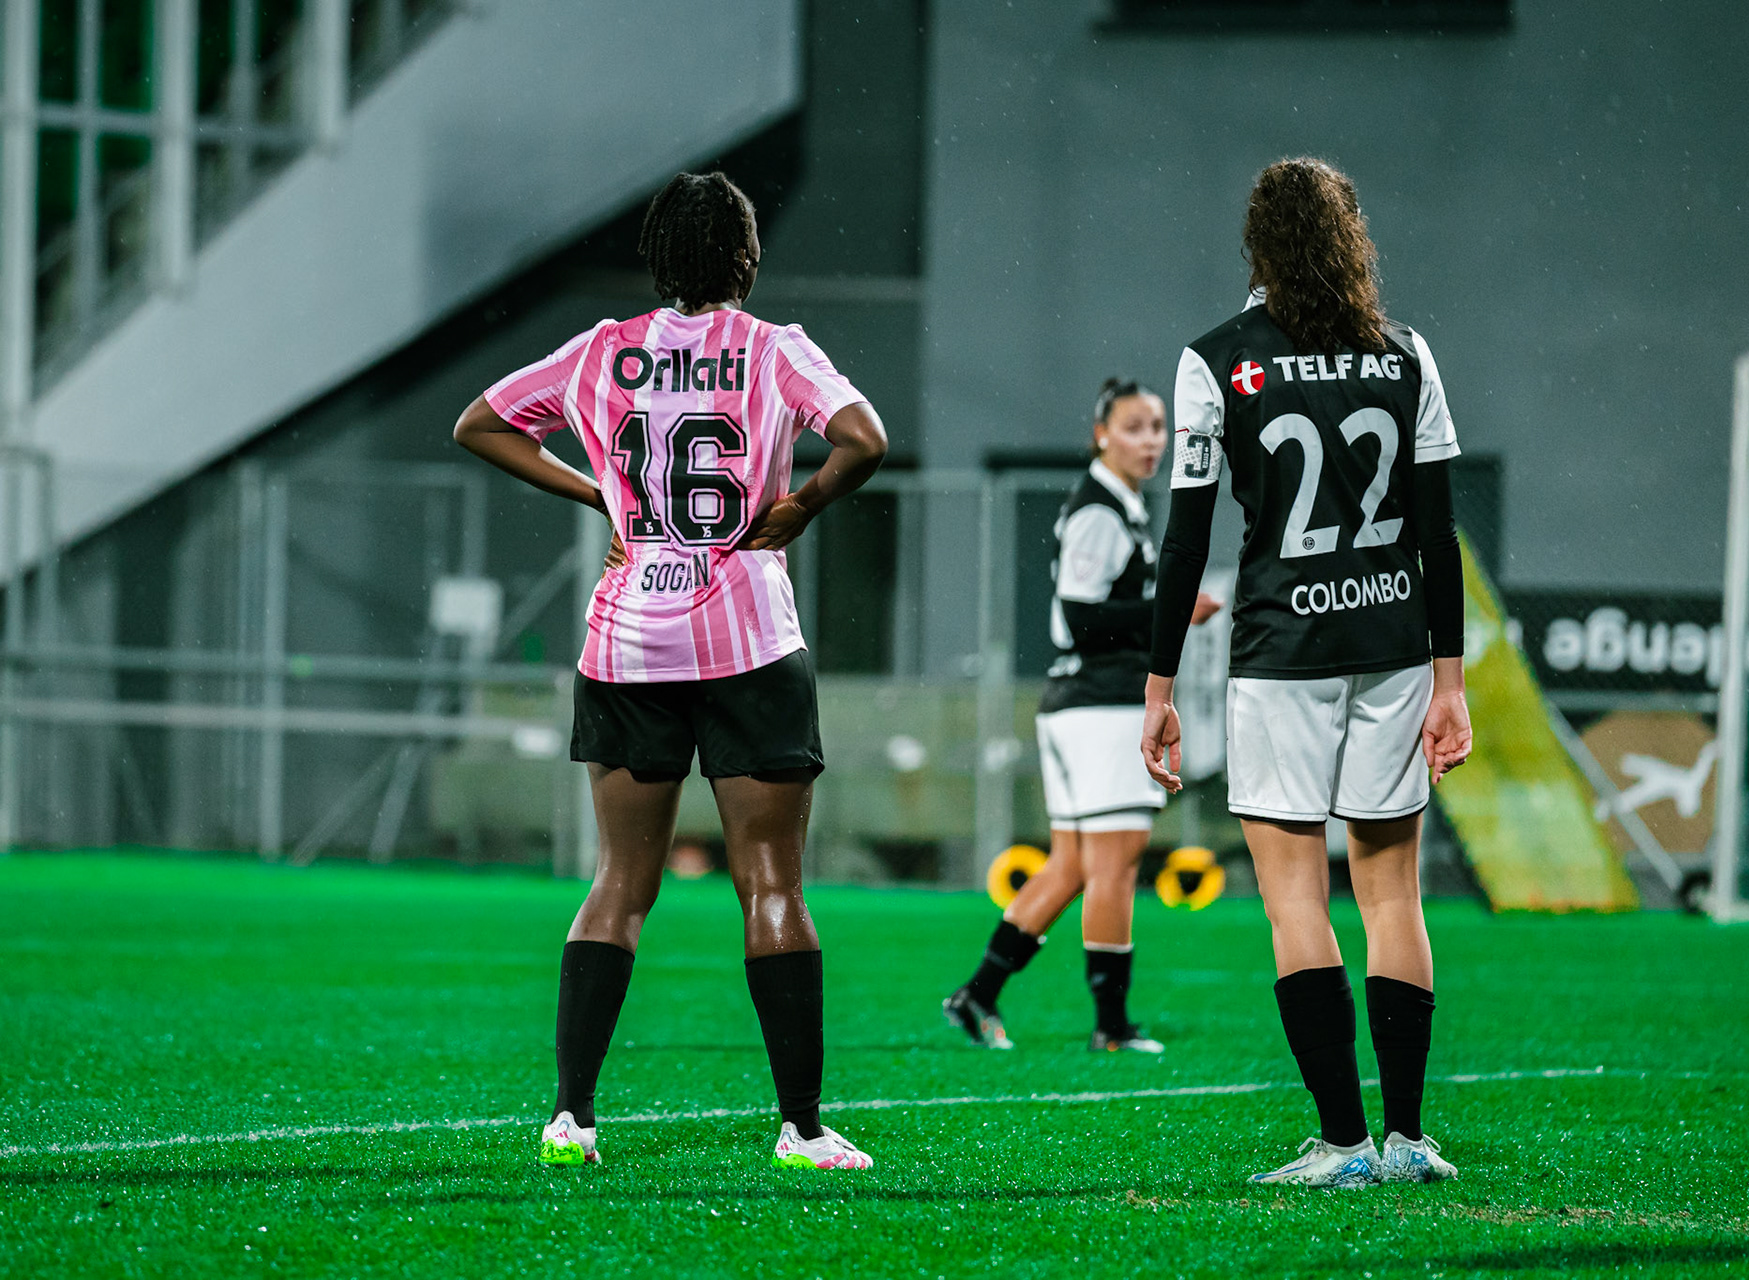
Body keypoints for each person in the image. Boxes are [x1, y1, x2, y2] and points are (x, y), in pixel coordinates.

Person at [453, 171, 887, 1172]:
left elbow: (479, 422)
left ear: (656, 257)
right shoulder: (774, 349)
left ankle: (571, 1116)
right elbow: (864, 441)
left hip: (628, 642)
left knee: (619, 881)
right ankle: (803, 1127)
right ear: (745, 256)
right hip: (747, 642)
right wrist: (806, 503)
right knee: (770, 882)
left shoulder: (604, 349)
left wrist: (597, 492)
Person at [1141, 158, 1473, 1188]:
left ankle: (1342, 1143)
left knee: (1295, 896)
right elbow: (1438, 533)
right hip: (1392, 645)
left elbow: (1186, 539)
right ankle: (1412, 1136)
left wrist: (1158, 690)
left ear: (1258, 246)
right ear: (1349, 237)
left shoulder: (1217, 359)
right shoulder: (1405, 353)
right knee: (1392, 894)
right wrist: (1449, 680)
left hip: (1283, 649)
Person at [944, 379, 1220, 1054]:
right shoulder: (1100, 508)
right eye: (1133, 426)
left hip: (1076, 704)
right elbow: (1081, 618)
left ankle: (976, 995)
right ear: (1101, 433)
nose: (1151, 439)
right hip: (1100, 704)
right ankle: (1113, 1027)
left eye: (1158, 426)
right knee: (1114, 868)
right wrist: (1172, 612)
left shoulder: (1116, 503)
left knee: (1068, 866)